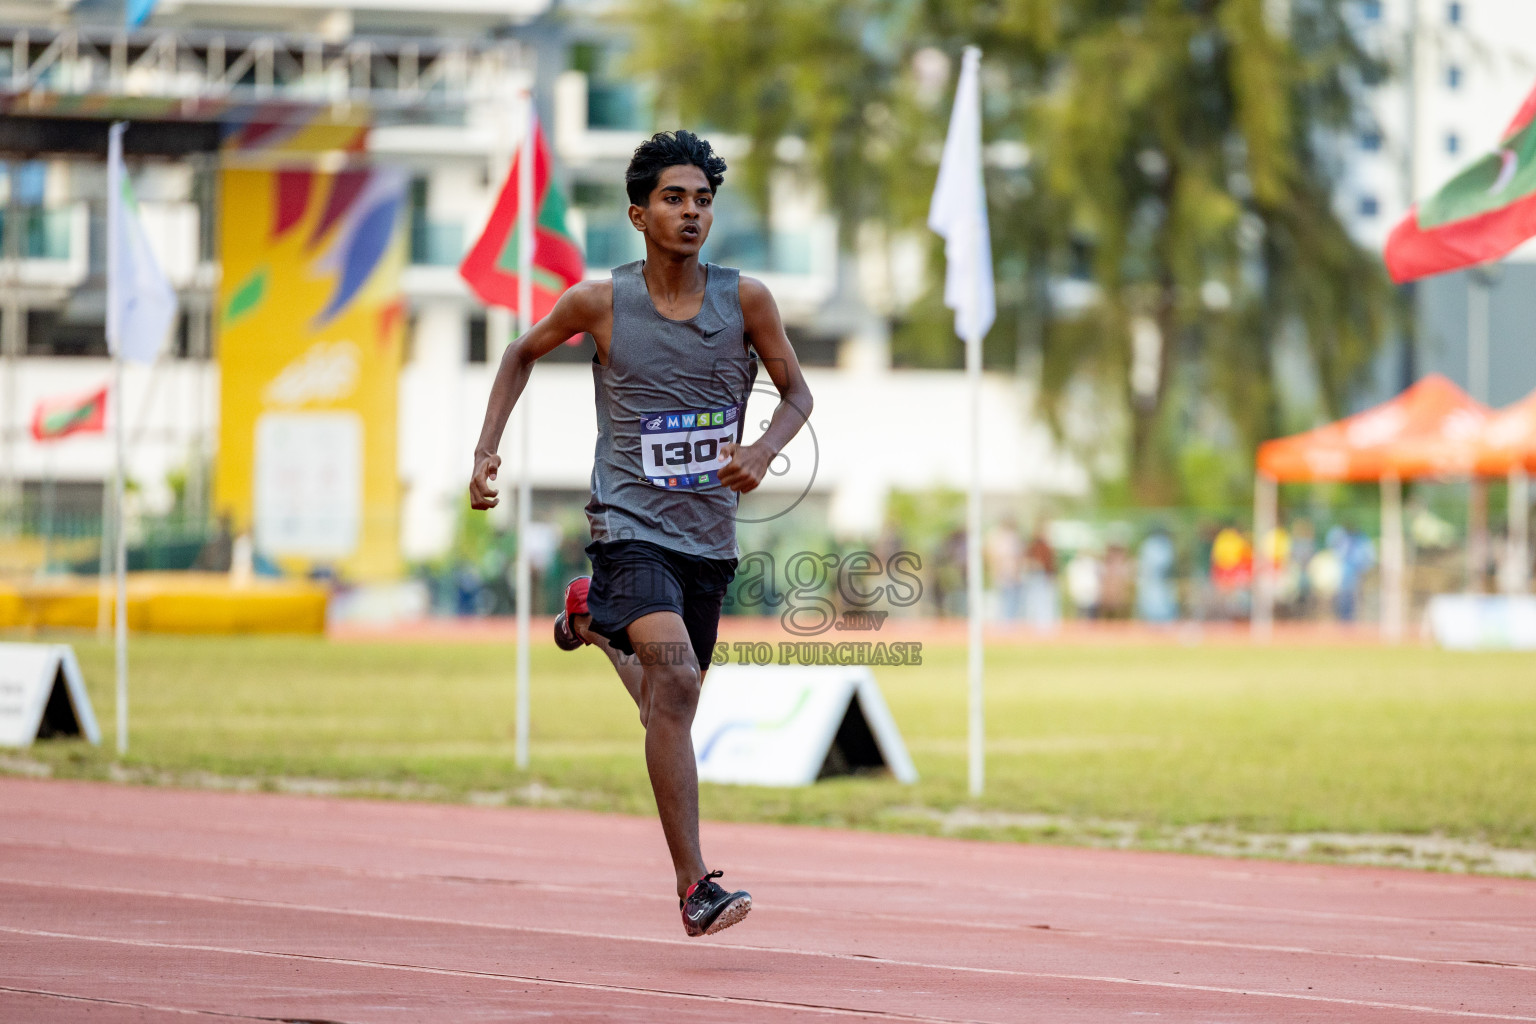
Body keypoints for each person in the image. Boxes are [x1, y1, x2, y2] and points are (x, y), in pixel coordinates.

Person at [468, 131, 813, 937]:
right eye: (673, 198)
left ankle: (591, 622)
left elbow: (798, 394)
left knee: (670, 698)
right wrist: (487, 451)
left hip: (707, 539)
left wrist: (762, 449)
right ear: (638, 213)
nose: (691, 212)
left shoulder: (747, 301)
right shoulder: (601, 303)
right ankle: (697, 887)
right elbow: (520, 352)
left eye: (702, 200)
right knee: (681, 683)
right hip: (628, 527)